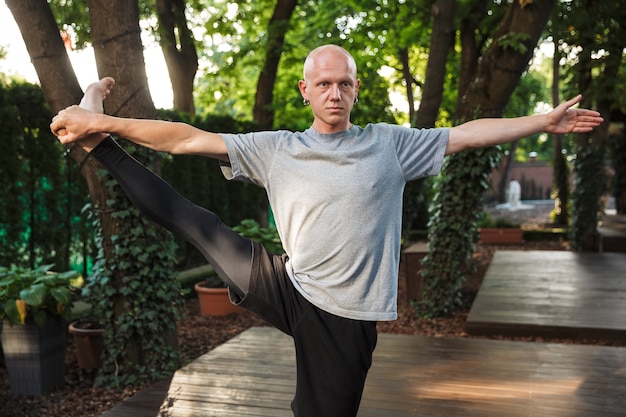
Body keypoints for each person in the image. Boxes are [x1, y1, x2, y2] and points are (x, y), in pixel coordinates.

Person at [51, 44, 603, 417]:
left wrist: (542, 119)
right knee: (197, 222)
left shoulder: (391, 145)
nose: (334, 93)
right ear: (305, 90)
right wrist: (101, 122)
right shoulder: (277, 149)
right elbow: (184, 138)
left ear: (356, 88)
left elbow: (469, 134)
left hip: (348, 316)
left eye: (343, 84)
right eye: (323, 84)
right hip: (291, 285)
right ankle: (99, 142)